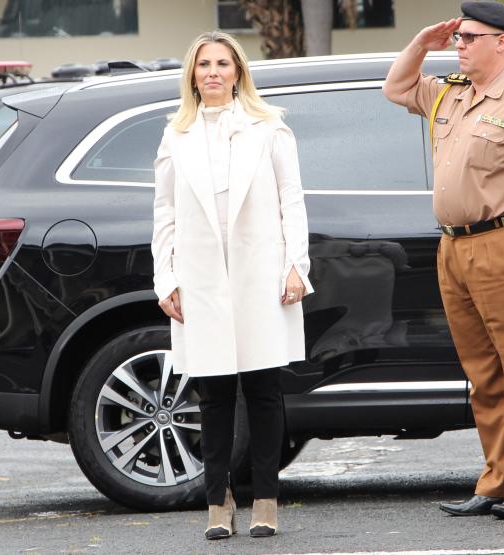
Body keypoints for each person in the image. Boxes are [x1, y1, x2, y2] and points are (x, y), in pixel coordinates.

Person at [383, 2, 504, 520]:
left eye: (469, 37)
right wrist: (422, 43)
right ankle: (496, 479)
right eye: (458, 37)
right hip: (454, 248)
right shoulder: (449, 92)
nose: (459, 44)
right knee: (483, 373)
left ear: (502, 43)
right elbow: (396, 88)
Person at [151, 30, 312, 540]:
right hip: (200, 279)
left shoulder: (269, 128)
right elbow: (164, 213)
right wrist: (166, 277)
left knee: (264, 391)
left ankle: (265, 500)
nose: (214, 72)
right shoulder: (175, 135)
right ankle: (217, 504)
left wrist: (297, 266)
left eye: (223, 63)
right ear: (192, 76)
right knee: (214, 395)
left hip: (260, 275)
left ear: (238, 71)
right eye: (204, 65)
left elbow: (292, 200)